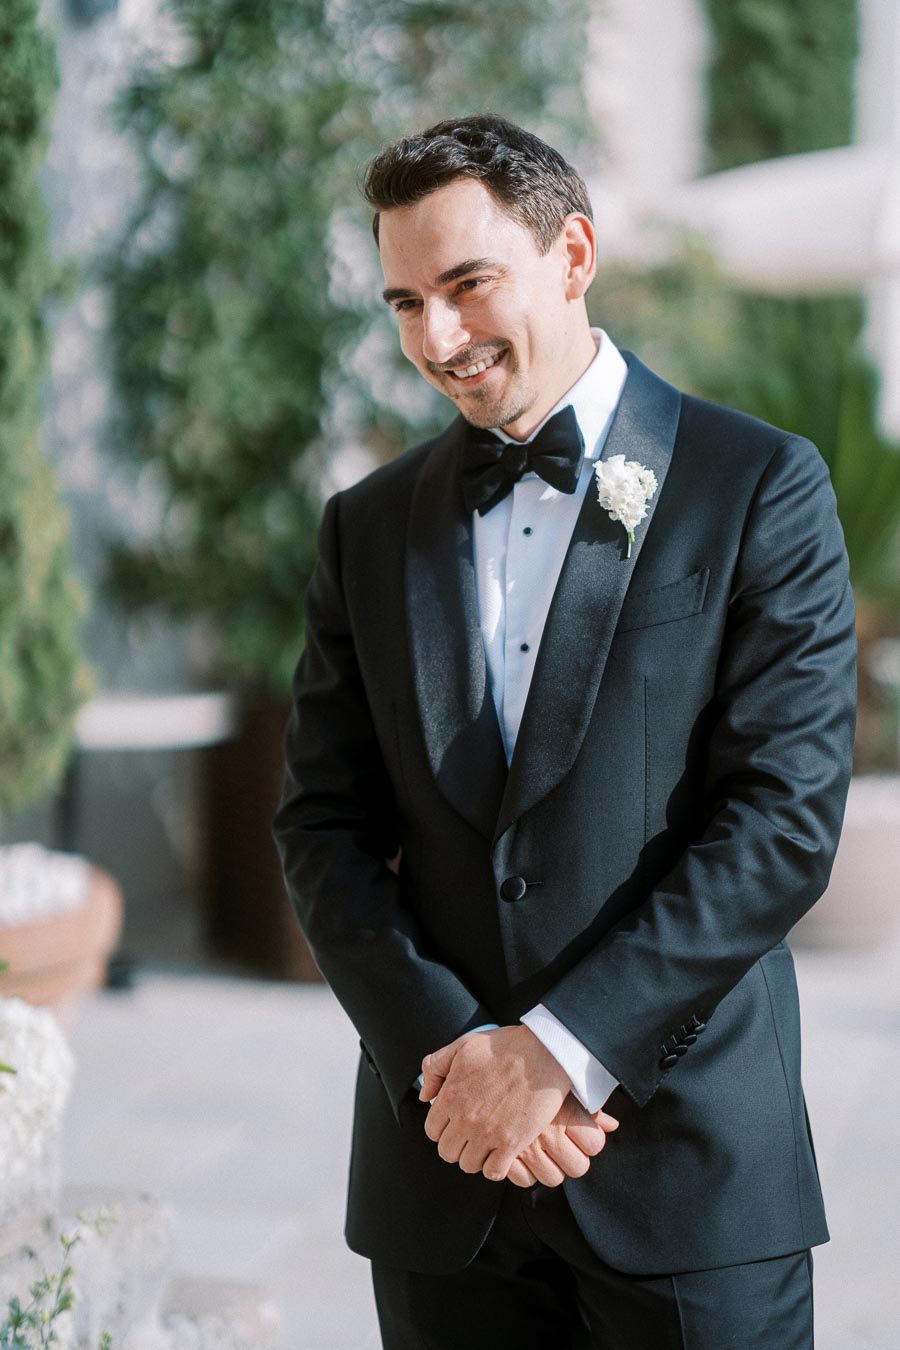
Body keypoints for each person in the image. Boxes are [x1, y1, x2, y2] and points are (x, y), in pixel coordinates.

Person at [273, 114, 857, 1349]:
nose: (436, 340)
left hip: (689, 1174)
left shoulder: (759, 484)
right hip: (446, 1184)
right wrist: (458, 1066)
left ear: (574, 253)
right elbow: (322, 829)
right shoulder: (365, 525)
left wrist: (557, 1055)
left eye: (467, 284)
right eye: (404, 301)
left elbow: (782, 824)